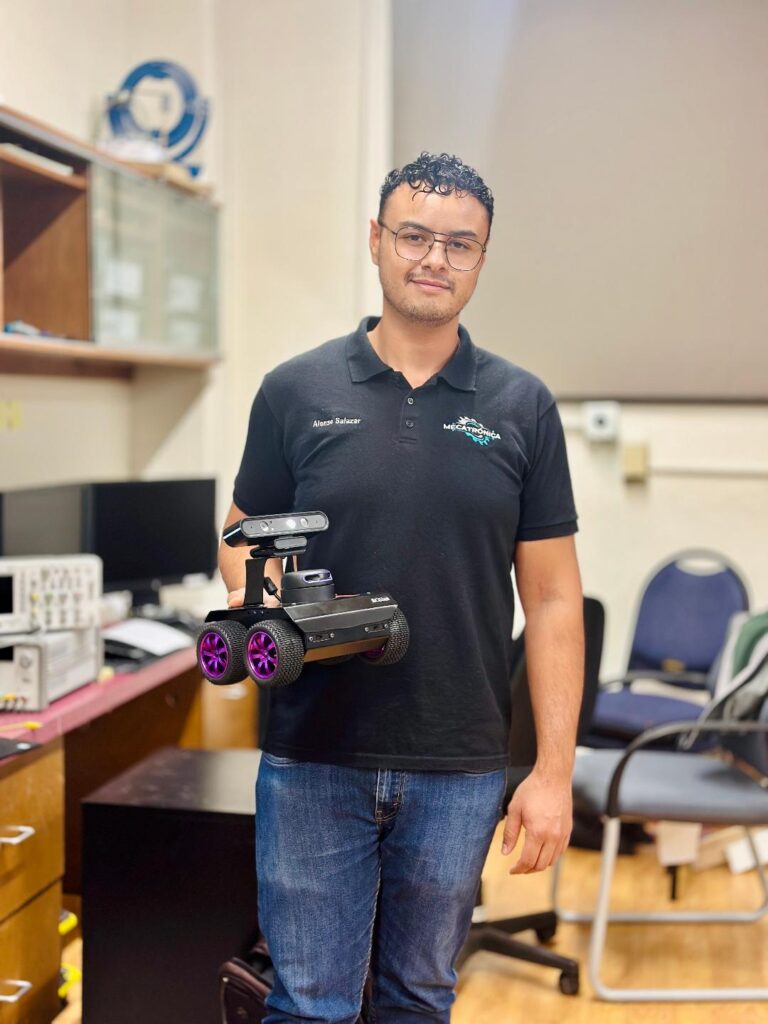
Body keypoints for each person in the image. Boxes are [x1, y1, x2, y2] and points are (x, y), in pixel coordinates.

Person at [219, 152, 584, 1024]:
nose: (434, 259)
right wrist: (266, 604)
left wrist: (554, 773)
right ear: (376, 240)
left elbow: (554, 600)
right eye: (414, 236)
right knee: (309, 1005)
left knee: (420, 1000)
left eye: (460, 244)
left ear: (482, 259)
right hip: (313, 756)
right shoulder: (294, 391)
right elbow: (241, 536)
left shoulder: (522, 406)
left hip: (458, 763)